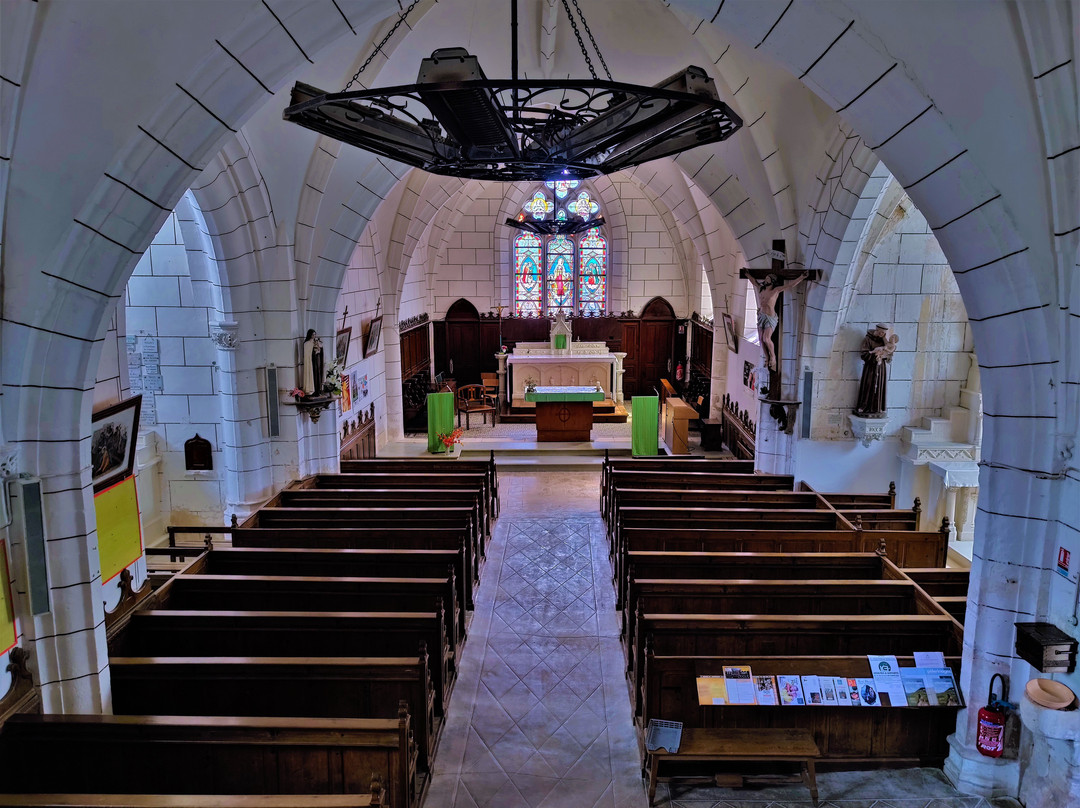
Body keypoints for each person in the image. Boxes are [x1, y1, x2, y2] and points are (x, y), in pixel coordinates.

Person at [753, 271, 809, 370]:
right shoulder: (761, 289)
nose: (765, 280)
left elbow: (790, 285)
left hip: (770, 317)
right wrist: (747, 274)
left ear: (773, 281)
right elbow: (754, 281)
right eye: (765, 278)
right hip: (761, 316)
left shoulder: (775, 290)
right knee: (761, 339)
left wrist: (801, 277)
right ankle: (767, 357)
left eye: (768, 278)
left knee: (766, 338)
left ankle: (773, 357)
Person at [854, 323, 899, 417]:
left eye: (883, 333)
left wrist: (886, 355)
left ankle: (877, 407)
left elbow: (889, 354)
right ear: (876, 330)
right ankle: (864, 406)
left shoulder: (884, 341)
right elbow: (864, 354)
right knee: (868, 385)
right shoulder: (868, 339)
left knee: (879, 386)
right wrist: (875, 357)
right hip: (870, 367)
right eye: (880, 332)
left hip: (881, 367)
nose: (881, 334)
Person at [302, 329, 324, 396]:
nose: (314, 336)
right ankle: (312, 390)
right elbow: (307, 354)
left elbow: (321, 351)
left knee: (318, 375)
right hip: (311, 363)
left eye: (315, 334)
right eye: (313, 334)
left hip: (317, 361)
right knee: (313, 375)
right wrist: (315, 352)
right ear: (310, 335)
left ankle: (318, 390)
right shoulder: (307, 343)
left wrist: (319, 349)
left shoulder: (316, 342)